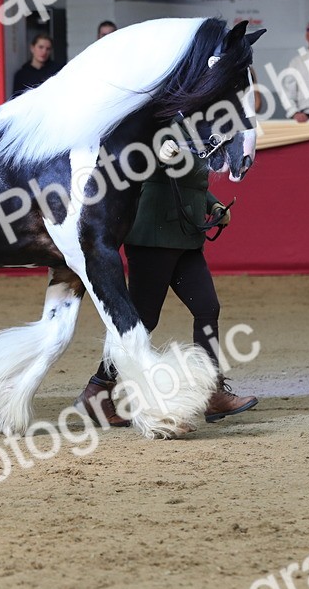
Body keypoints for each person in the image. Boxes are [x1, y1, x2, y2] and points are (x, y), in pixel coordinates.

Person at [75, 140, 258, 428]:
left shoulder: (197, 128)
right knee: (142, 320)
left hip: (184, 237)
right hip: (154, 237)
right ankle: (98, 389)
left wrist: (213, 204)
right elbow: (144, 166)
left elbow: (193, 182)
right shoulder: (163, 123)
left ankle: (212, 392)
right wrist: (158, 154)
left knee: (207, 307)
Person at [11, 33, 60, 98]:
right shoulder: (21, 75)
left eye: (48, 49)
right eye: (41, 47)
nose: (44, 52)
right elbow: (16, 100)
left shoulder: (56, 70)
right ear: (32, 48)